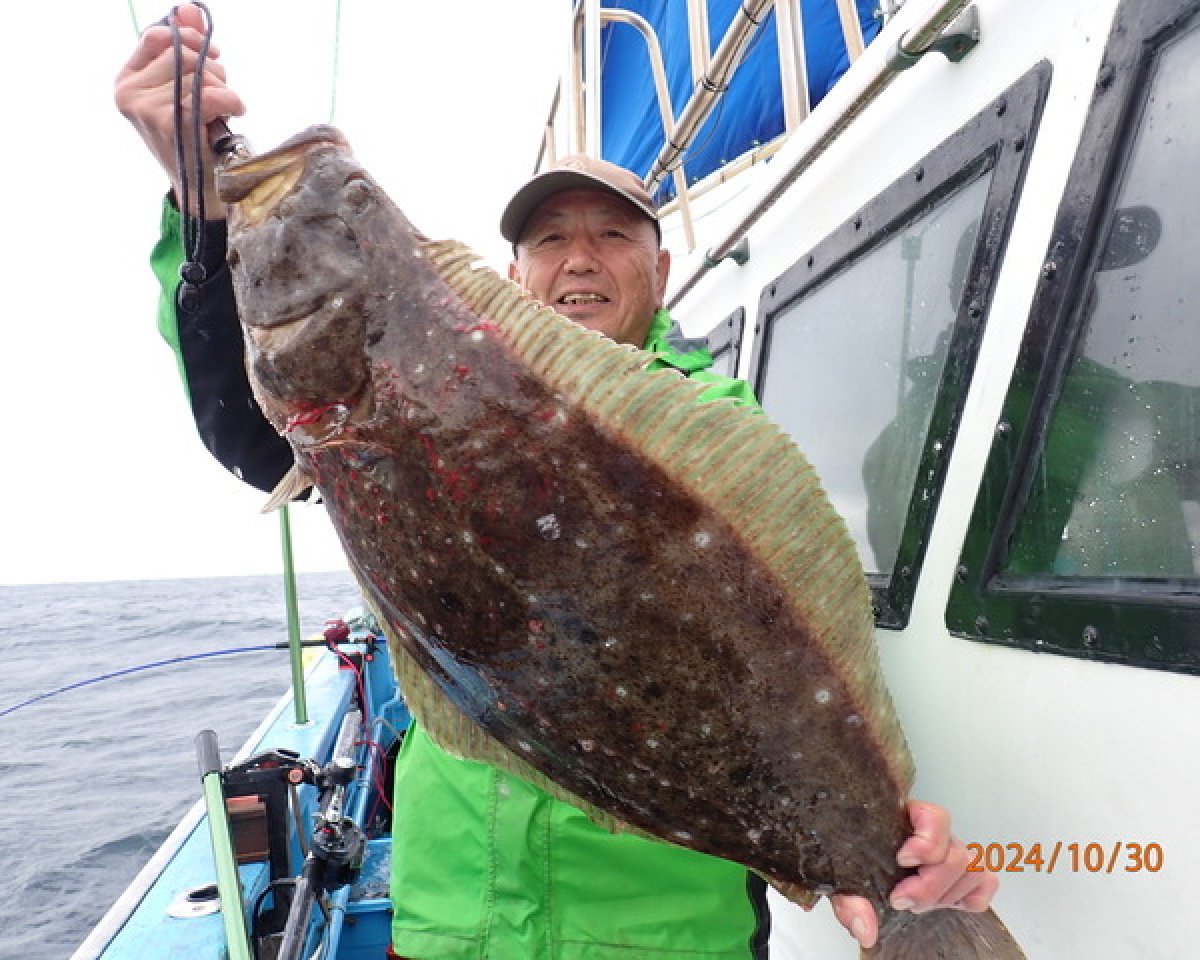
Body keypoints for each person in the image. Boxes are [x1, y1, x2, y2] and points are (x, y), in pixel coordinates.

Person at [115, 7, 999, 958]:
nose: (580, 258)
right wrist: (203, 217)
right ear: (513, 272)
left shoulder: (711, 425)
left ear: (659, 269)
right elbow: (251, 431)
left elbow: (787, 654)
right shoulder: (385, 406)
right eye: (550, 241)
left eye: (614, 235)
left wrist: (894, 849)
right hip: (451, 928)